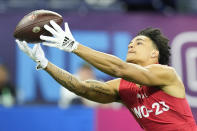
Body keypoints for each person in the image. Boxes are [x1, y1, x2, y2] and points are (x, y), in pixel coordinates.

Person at [16, 20, 197, 130]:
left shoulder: (165, 73)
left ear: (154, 54)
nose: (131, 45)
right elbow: (83, 88)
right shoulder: (123, 86)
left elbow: (119, 68)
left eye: (139, 43)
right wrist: (45, 63)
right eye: (131, 43)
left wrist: (74, 46)